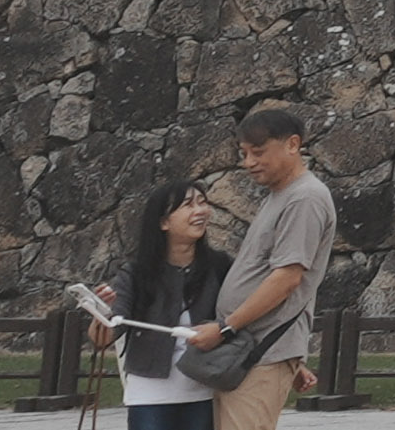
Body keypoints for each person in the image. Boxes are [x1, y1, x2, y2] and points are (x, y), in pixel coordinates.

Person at [199, 103, 336, 430]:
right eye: (244, 153)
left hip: (259, 352)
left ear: (293, 144)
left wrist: (225, 328)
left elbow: (287, 278)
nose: (249, 163)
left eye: (258, 152)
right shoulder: (281, 194)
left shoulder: (305, 198)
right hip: (251, 352)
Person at [102, 178, 226, 430]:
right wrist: (100, 312)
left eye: (202, 203)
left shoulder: (220, 266)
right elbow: (105, 335)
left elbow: (242, 317)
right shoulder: (136, 273)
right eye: (188, 205)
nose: (200, 211)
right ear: (163, 222)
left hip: (203, 391)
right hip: (149, 395)